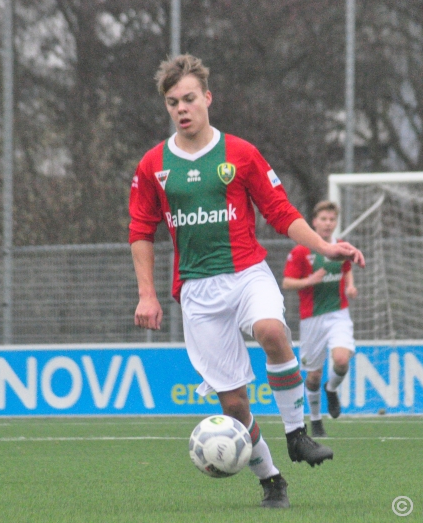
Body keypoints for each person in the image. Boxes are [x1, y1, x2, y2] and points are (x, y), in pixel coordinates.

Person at [129, 55, 364, 508]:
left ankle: (297, 434)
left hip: (247, 274)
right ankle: (272, 479)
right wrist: (147, 293)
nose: (182, 108)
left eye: (190, 99)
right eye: (173, 102)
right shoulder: (152, 165)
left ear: (208, 98)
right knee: (234, 406)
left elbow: (281, 211)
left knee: (273, 331)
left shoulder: (241, 153)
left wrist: (323, 246)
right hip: (197, 291)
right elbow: (141, 230)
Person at [282, 200, 356, 438]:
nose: (327, 223)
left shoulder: (342, 246)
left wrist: (351, 286)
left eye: (331, 219)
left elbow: (347, 267)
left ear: (336, 223)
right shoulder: (301, 250)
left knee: (342, 360)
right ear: (314, 222)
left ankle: (331, 388)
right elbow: (286, 282)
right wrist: (309, 281)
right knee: (313, 376)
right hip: (311, 319)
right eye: (323, 219)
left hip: (338, 314)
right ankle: (315, 420)